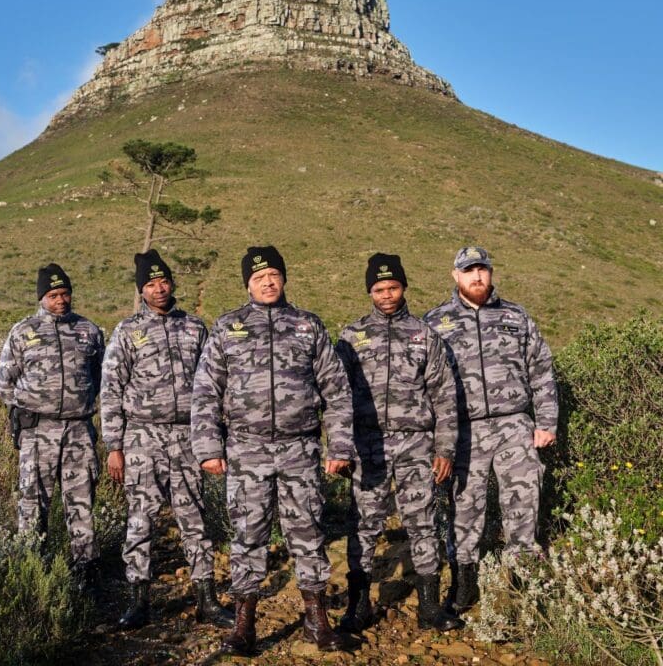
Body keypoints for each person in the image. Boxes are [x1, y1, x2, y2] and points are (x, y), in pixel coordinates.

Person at [191, 246, 354, 655]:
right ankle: (244, 625)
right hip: (247, 449)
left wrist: (340, 445)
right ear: (247, 282)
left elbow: (336, 391)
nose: (268, 282)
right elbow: (207, 391)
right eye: (260, 276)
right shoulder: (228, 328)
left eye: (275, 275)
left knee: (309, 532)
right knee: (248, 535)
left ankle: (316, 621)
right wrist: (209, 446)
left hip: (300, 448)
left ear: (285, 279)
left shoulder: (307, 326)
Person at [100, 250, 232, 630]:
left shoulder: (195, 327)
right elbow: (111, 391)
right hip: (142, 437)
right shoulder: (127, 332)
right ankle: (138, 601)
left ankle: (207, 600)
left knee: (195, 519)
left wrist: (214, 438)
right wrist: (115, 447)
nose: (159, 289)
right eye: (150, 284)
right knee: (141, 519)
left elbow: (212, 387)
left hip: (187, 436)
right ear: (141, 290)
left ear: (172, 283)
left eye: (163, 282)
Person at [423, 246, 558, 613]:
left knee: (523, 506)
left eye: (482, 269)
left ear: (491, 273)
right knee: (464, 510)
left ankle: (526, 590)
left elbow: (541, 369)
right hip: (463, 432)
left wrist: (546, 422)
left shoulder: (516, 316)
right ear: (456, 276)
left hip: (514, 425)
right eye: (468, 271)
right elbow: (425, 383)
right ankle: (464, 587)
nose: (477, 277)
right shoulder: (435, 322)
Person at [336, 253, 462, 633]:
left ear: (404, 287)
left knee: (423, 523)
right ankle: (358, 605)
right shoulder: (351, 337)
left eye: (392, 287)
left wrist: (445, 449)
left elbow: (444, 396)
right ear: (369, 292)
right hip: (367, 446)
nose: (386, 295)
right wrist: (340, 446)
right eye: (378, 289)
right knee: (364, 525)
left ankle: (429, 606)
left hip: (416, 445)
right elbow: (336, 395)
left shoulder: (425, 336)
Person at [0, 263, 104, 592]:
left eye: (65, 293)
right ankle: (33, 575)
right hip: (37, 433)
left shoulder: (89, 331)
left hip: (78, 432)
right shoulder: (22, 332)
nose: (61, 300)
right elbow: (4, 383)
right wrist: (30, 408)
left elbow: (100, 378)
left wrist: (78, 403)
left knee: (81, 502)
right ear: (42, 297)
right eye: (54, 294)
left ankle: (84, 575)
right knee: (32, 503)